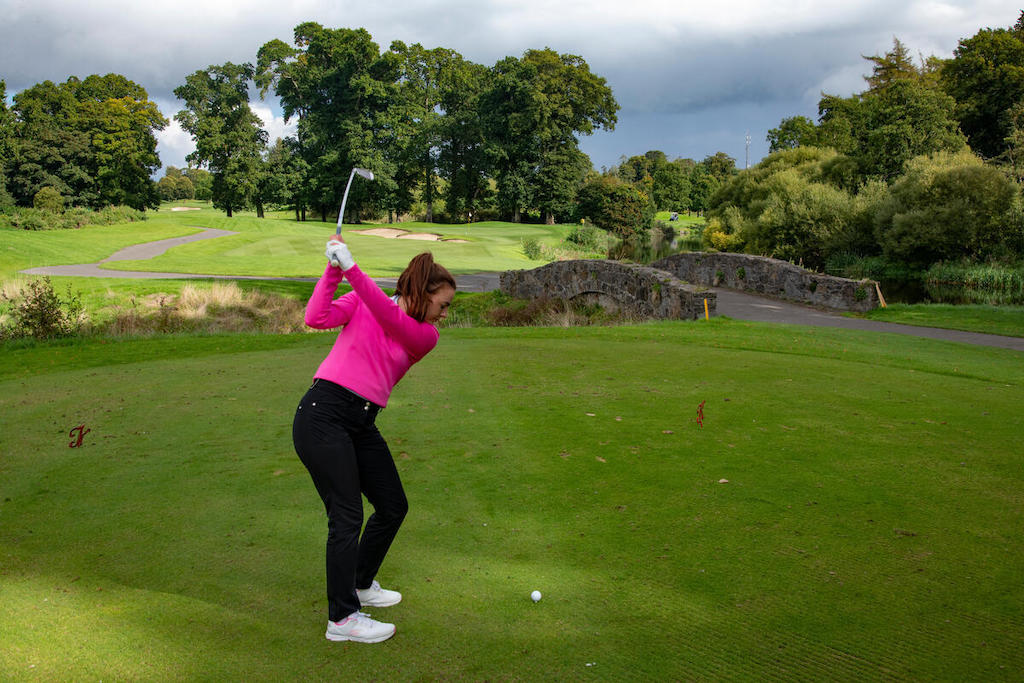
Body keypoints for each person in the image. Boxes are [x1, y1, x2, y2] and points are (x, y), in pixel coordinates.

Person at [292, 236, 456, 643]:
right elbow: (316, 317)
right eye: (444, 304)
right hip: (323, 415)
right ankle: (342, 619)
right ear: (423, 293)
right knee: (347, 515)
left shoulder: (424, 335)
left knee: (393, 505)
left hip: (361, 421)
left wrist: (352, 268)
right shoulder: (368, 302)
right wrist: (334, 270)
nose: (445, 313)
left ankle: (361, 583)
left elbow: (390, 318)